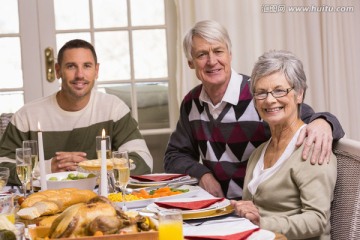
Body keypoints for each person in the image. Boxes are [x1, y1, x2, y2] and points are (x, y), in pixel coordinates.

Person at [164, 20, 344, 199]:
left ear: (230, 54)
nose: (212, 61)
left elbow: (306, 118)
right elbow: (174, 156)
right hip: (218, 210)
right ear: (190, 62)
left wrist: (324, 121)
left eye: (218, 51)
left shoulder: (259, 94)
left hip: (263, 209)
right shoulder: (191, 102)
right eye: (202, 54)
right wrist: (202, 174)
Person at [0, 39, 153, 185]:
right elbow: (2, 167)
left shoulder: (114, 109)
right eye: (71, 66)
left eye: (87, 66)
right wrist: (47, 168)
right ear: (58, 71)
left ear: (96, 70)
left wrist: (95, 169)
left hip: (100, 200)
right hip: (44, 200)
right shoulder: (27, 116)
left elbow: (143, 160)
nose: (80, 75)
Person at [230, 50, 337, 239]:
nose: (270, 100)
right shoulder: (259, 152)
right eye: (261, 93)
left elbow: (317, 220)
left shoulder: (313, 146)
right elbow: (252, 210)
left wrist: (262, 222)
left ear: (299, 94)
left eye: (279, 90)